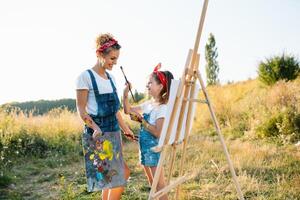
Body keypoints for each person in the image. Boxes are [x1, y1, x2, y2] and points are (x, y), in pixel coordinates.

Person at [76, 33, 134, 200]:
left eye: (116, 59)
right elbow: (81, 110)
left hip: (114, 132)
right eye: (112, 58)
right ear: (99, 54)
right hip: (98, 134)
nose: (114, 63)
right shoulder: (85, 77)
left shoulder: (111, 78)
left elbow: (115, 110)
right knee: (119, 175)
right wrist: (95, 128)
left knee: (111, 179)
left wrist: (126, 128)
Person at [123, 63, 174, 200]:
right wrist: (125, 94)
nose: (147, 86)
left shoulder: (162, 107)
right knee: (153, 185)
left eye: (150, 83)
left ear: (161, 86)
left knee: (160, 187)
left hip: (153, 149)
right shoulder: (149, 104)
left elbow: (158, 132)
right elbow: (128, 110)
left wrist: (142, 121)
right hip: (144, 149)